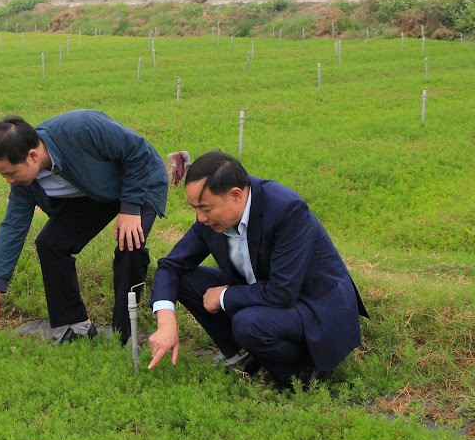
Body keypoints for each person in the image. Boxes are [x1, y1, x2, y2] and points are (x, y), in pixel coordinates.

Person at [147, 150, 367, 388]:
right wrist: (166, 321)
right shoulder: (211, 220)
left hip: (313, 303)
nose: (200, 218)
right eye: (195, 209)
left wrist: (224, 296)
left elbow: (282, 293)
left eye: (206, 208)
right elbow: (170, 266)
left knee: (248, 323)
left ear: (236, 195)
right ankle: (245, 355)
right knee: (185, 278)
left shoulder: (287, 210)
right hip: (267, 290)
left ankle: (300, 376)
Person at [0, 110, 168, 345]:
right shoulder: (25, 185)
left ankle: (124, 334)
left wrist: (130, 208)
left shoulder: (82, 128)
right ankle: (75, 326)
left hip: (139, 182)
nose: (9, 181)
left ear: (33, 156)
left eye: (11, 173)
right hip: (94, 191)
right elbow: (13, 228)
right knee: (51, 243)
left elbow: (137, 152)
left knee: (130, 245)